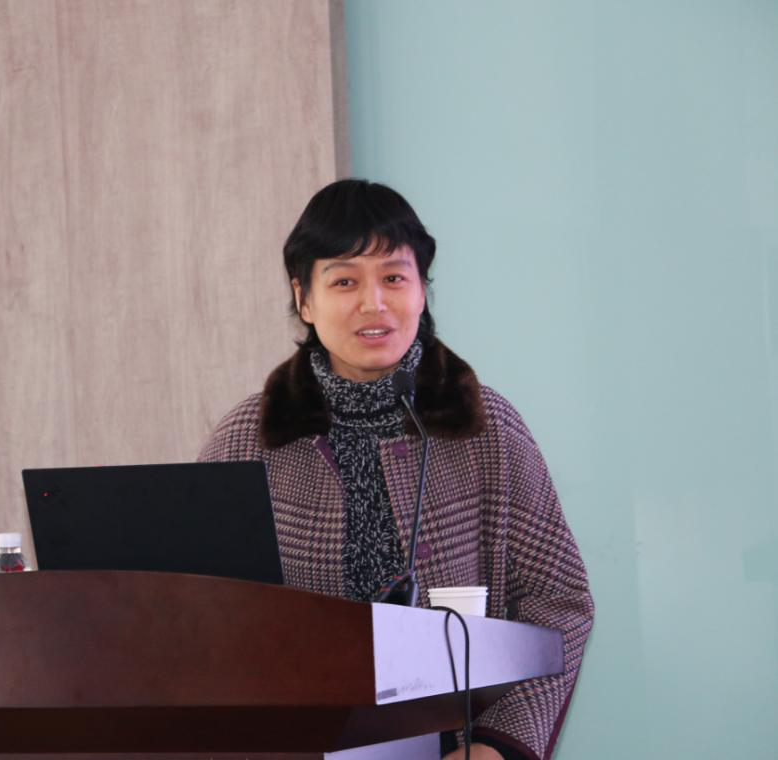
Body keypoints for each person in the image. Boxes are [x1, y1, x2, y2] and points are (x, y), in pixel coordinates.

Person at [199, 179, 594, 760]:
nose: (373, 303)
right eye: (344, 281)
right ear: (304, 299)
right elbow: (205, 619)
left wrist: (496, 746)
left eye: (393, 277)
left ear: (422, 291)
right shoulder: (248, 439)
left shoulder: (485, 428)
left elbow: (557, 600)